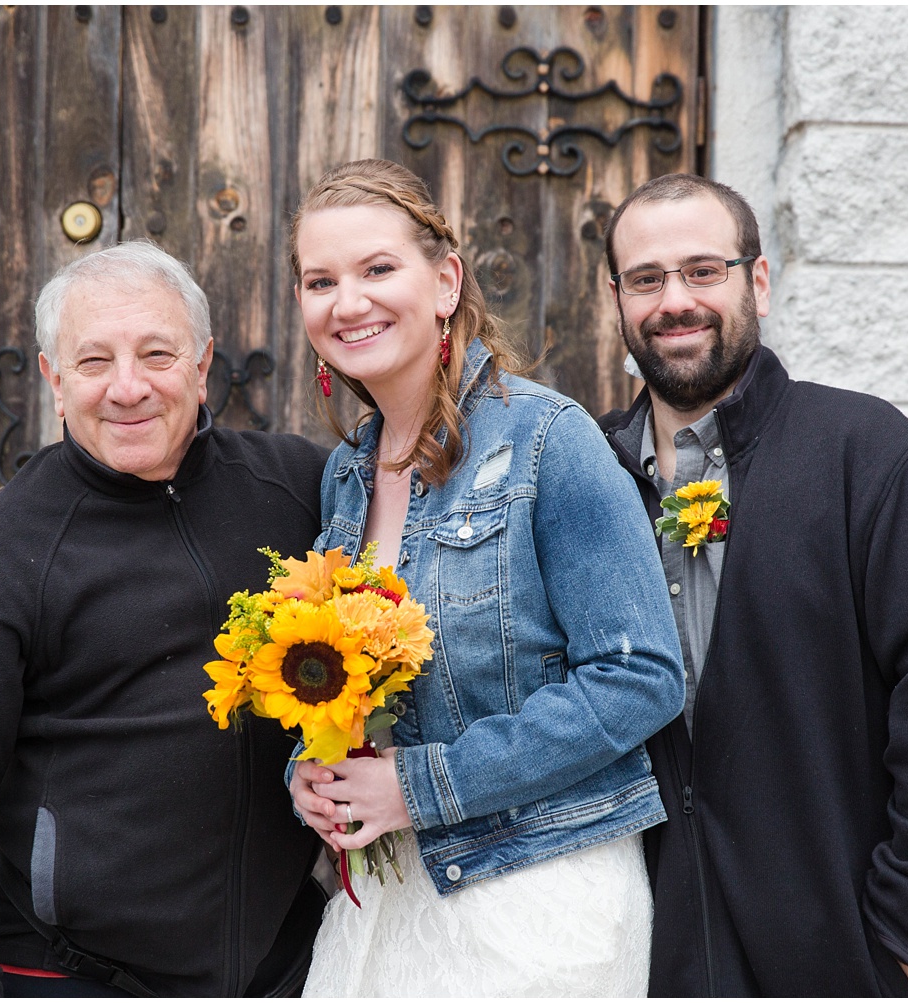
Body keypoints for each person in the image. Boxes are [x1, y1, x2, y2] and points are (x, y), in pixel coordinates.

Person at [597, 174, 908, 997]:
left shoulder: (865, 453)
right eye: (647, 278)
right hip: (644, 962)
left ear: (757, 281)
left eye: (703, 270)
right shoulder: (590, 477)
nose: (675, 299)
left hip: (846, 962)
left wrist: (901, 941)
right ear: (616, 298)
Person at [0, 241, 329, 996]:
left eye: (157, 353)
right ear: (54, 381)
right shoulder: (6, 551)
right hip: (73, 973)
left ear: (202, 361)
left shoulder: (297, 486)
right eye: (93, 362)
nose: (128, 388)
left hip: (287, 968)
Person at [285, 160, 686, 997]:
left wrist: (417, 784)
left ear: (444, 282)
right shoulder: (347, 475)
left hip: (537, 897)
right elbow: (357, 687)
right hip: (388, 899)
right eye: (320, 280)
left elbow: (641, 675)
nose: (347, 301)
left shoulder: (548, 439)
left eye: (377, 269)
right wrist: (311, 771)